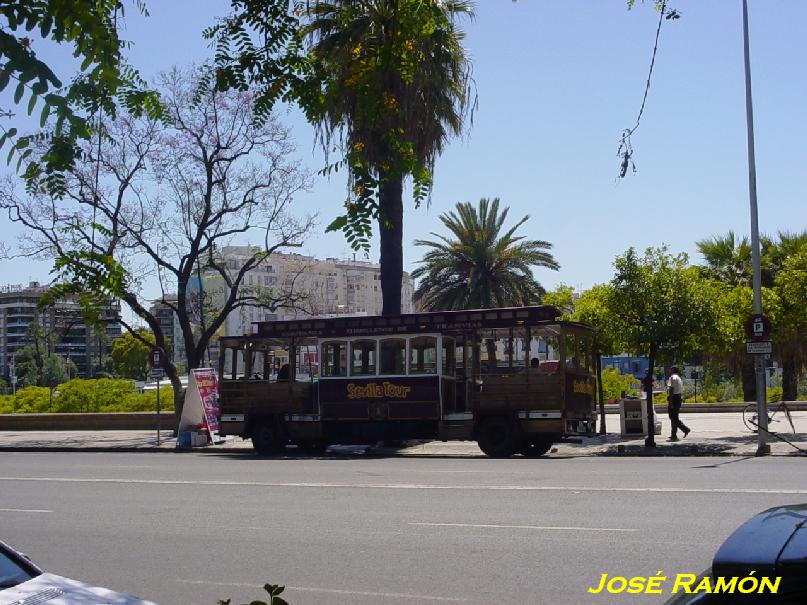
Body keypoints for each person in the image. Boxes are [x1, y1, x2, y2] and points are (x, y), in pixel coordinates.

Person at [666, 366, 690, 441]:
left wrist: (670, 401)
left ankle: (685, 429)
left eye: (670, 369)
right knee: (674, 417)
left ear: (673, 370)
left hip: (674, 398)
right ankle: (673, 435)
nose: (669, 370)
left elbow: (671, 389)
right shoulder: (679, 378)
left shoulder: (672, 378)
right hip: (678, 398)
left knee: (673, 417)